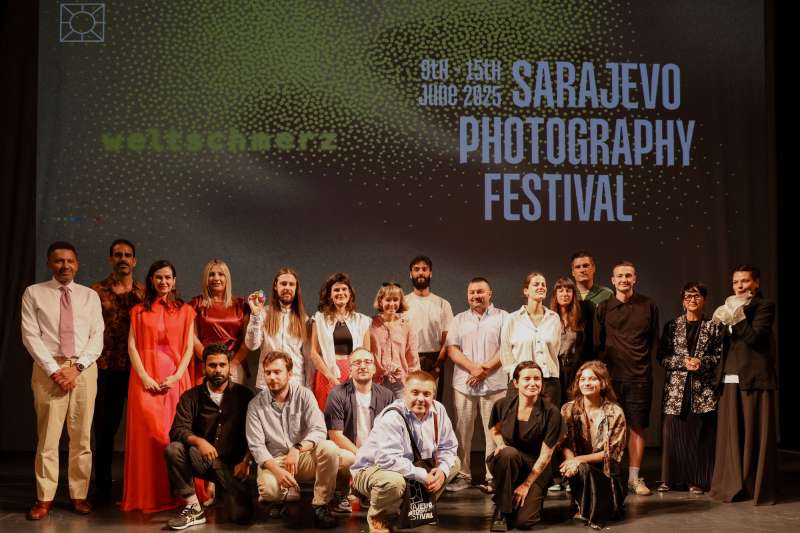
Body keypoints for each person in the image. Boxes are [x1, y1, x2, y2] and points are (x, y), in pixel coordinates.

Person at [21, 241, 104, 520]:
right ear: (49, 264)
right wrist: (55, 370)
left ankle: (79, 494)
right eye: (58, 261)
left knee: (81, 436)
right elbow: (30, 336)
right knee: (48, 437)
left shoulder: (89, 296)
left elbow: (97, 336)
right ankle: (44, 498)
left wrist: (77, 367)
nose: (65, 265)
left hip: (83, 368)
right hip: (49, 368)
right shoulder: (34, 293)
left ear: (77, 264)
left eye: (69, 261)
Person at [121, 260, 196, 512]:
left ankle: (182, 496)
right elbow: (132, 346)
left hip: (175, 380)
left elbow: (189, 348)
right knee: (150, 437)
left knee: (173, 438)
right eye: (159, 277)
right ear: (152, 280)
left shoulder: (186, 311)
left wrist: (176, 377)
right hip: (145, 380)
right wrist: (144, 377)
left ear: (174, 281)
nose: (163, 281)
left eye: (168, 277)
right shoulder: (138, 311)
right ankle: (151, 496)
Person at [246, 350, 352, 528]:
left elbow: (319, 429)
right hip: (276, 461)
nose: (272, 377)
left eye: (277, 372)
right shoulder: (255, 405)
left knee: (337, 453)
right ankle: (278, 499)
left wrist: (297, 448)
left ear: (289, 373)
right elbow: (257, 447)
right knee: (270, 491)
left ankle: (321, 505)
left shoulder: (304, 395)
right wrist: (278, 472)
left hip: (303, 457)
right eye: (268, 372)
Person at [350, 370, 459, 533]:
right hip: (374, 469)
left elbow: (449, 447)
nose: (421, 399)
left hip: (410, 467)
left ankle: (414, 507)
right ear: (405, 393)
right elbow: (387, 460)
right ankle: (378, 517)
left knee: (453, 463)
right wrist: (423, 476)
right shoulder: (392, 417)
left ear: (433, 396)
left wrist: (442, 472)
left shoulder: (439, 411)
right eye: (415, 392)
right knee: (394, 482)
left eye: (426, 394)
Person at [164, 343, 254, 529]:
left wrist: (247, 460)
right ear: (204, 368)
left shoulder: (244, 395)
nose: (218, 370)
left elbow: (256, 433)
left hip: (233, 467)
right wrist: (199, 442)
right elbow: (177, 430)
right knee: (174, 450)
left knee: (241, 516)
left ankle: (223, 492)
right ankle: (193, 508)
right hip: (203, 460)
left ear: (229, 367)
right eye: (212, 365)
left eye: (222, 365)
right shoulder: (191, 396)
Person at [710, 265, 778, 505]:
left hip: (754, 377)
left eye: (745, 281)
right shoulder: (727, 307)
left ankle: (753, 485)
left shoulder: (764, 306)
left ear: (756, 283)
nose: (739, 286)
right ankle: (731, 483)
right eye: (736, 282)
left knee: (753, 433)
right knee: (731, 434)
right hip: (730, 375)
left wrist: (736, 316)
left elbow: (754, 338)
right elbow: (725, 344)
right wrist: (719, 325)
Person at [594, 261, 659, 496]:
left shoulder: (648, 305)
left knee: (636, 427)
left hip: (639, 377)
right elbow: (598, 344)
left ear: (635, 278)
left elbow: (654, 341)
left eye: (628, 275)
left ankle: (633, 478)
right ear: (612, 280)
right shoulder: (604, 307)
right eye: (620, 276)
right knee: (606, 428)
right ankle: (607, 477)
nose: (624, 279)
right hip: (611, 379)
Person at [90, 239, 145, 504]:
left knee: (143, 430)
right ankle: (101, 487)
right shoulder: (96, 292)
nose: (123, 258)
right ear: (111, 259)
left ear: (134, 261)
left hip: (138, 371)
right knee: (104, 431)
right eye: (118, 254)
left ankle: (142, 486)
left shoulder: (145, 293)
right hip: (106, 370)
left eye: (128, 255)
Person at [657, 282, 722, 494]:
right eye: (688, 297)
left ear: (704, 300)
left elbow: (718, 356)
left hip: (702, 389)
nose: (692, 300)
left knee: (698, 435)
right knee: (673, 434)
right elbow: (662, 356)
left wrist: (701, 363)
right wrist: (682, 362)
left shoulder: (713, 326)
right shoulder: (672, 325)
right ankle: (669, 479)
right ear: (682, 301)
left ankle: (696, 480)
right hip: (676, 389)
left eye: (696, 296)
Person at [445, 277, 508, 492]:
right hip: (465, 384)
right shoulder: (459, 320)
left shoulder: (503, 317)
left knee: (494, 431)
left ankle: (492, 475)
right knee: (462, 431)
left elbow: (506, 348)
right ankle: (463, 474)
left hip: (495, 382)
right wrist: (473, 369)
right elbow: (452, 349)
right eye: (472, 292)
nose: (475, 296)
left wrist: (485, 370)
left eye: (480, 291)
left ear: (490, 294)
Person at [487, 362, 563, 532]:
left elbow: (546, 455)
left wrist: (527, 485)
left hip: (535, 468)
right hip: (510, 463)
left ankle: (508, 494)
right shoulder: (502, 405)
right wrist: (500, 444)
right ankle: (501, 510)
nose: (532, 383)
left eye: (537, 378)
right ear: (516, 383)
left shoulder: (551, 412)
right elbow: (494, 429)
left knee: (524, 522)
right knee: (508, 453)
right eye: (527, 379)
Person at [324, 347, 395, 512]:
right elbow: (335, 435)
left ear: (374, 368)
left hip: (376, 451)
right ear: (350, 369)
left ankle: (366, 492)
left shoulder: (387, 395)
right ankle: (340, 493)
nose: (363, 366)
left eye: (367, 362)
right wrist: (362, 455)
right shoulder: (337, 394)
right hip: (349, 450)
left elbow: (391, 433)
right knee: (346, 458)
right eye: (357, 363)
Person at [559, 361, 627, 530]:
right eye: (582, 379)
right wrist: (571, 462)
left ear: (603, 383)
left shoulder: (615, 412)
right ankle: (581, 503)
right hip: (577, 471)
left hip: (606, 473)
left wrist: (577, 460)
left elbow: (611, 453)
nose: (587, 383)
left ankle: (589, 506)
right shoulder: (568, 409)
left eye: (592, 379)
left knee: (609, 510)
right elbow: (564, 443)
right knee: (581, 469)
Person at [309, 272, 371, 410]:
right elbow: (313, 352)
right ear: (330, 295)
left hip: (353, 373)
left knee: (352, 414)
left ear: (350, 294)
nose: (340, 293)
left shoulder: (362, 320)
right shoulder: (319, 319)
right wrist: (331, 377)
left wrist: (354, 375)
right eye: (336, 290)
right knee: (327, 415)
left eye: (344, 289)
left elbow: (366, 354)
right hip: (326, 374)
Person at [500, 272, 562, 403]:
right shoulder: (512, 319)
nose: (541, 287)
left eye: (543, 284)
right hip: (521, 382)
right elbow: (505, 353)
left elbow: (555, 349)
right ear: (526, 291)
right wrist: (518, 375)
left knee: (549, 416)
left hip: (549, 383)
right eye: (536, 284)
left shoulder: (554, 318)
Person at [246, 267, 310, 389]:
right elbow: (252, 345)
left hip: (295, 383)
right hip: (268, 383)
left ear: (296, 288)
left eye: (291, 284)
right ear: (276, 286)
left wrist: (308, 388)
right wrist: (255, 314)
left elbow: (308, 359)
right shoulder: (263, 314)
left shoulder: (304, 319)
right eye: (283, 283)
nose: (287, 287)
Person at [190, 259, 250, 385]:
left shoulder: (242, 305)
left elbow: (248, 341)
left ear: (227, 278)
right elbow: (193, 338)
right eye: (211, 274)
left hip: (234, 364)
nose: (216, 278)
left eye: (221, 274)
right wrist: (209, 360)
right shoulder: (197, 304)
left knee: (232, 397)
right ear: (206, 279)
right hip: (205, 363)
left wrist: (233, 363)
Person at [404, 255, 454, 401]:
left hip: (434, 360)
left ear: (430, 273)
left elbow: (447, 341)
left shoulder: (443, 304)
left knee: (432, 403)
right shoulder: (403, 303)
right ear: (410, 274)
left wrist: (437, 368)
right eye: (416, 269)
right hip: (407, 360)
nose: (420, 272)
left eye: (424, 269)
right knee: (409, 403)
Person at [369, 282, 420, 398]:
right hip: (377, 381)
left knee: (403, 409)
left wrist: (414, 382)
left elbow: (412, 357)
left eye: (395, 300)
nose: (392, 304)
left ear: (400, 301)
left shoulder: (406, 326)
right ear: (381, 301)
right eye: (388, 300)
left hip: (401, 382)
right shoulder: (370, 324)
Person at [549, 277, 593, 405]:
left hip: (575, 368)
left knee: (574, 405)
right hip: (556, 368)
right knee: (555, 405)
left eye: (568, 290)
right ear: (555, 295)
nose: (565, 294)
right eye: (561, 291)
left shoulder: (582, 315)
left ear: (573, 294)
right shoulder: (549, 317)